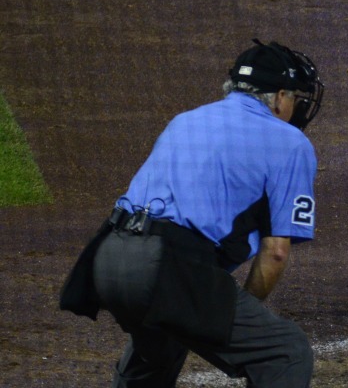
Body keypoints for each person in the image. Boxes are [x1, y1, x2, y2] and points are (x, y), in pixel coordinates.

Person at [59, 39, 325, 388]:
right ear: (278, 97)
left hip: (107, 257)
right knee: (285, 351)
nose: (296, 108)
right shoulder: (290, 142)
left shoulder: (186, 121)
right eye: (295, 98)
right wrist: (231, 307)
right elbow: (275, 253)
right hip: (167, 266)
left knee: (162, 344)